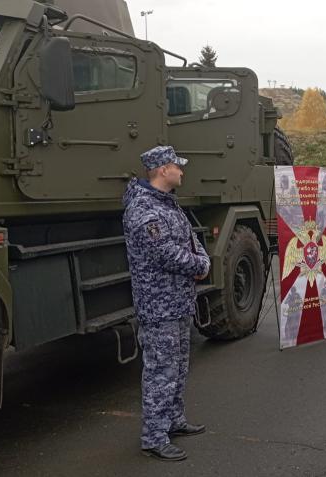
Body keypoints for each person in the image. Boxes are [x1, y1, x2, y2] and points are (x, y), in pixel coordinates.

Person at [123, 145, 211, 461]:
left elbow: (189, 240)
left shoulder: (168, 205)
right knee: (161, 371)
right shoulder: (144, 210)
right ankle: (154, 437)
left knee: (178, 366)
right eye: (178, 166)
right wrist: (199, 266)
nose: (182, 171)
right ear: (163, 170)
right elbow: (164, 253)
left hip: (178, 301)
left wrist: (202, 258)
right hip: (159, 305)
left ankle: (173, 420)